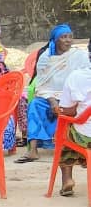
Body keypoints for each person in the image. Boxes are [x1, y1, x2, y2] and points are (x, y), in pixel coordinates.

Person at [19, 24, 91, 163]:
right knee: (34, 105)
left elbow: (84, 82)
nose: (68, 40)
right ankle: (32, 150)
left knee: (74, 109)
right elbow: (41, 84)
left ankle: (71, 146)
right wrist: (52, 100)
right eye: (64, 37)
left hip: (72, 98)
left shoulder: (79, 56)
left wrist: (65, 101)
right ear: (55, 40)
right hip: (49, 96)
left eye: (70, 37)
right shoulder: (45, 58)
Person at [55, 43, 91, 196]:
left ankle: (67, 179)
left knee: (64, 134)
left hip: (85, 136)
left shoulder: (77, 76)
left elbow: (69, 111)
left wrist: (59, 111)